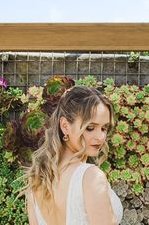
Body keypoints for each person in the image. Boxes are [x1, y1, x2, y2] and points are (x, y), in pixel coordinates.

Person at [23, 85, 123, 225]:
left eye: (104, 128)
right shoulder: (90, 177)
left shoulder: (38, 180)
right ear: (65, 126)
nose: (100, 137)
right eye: (90, 128)